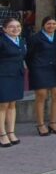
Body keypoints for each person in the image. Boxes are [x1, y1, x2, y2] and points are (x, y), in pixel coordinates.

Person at [26, 17, 56, 136]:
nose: (51, 26)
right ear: (43, 25)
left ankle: (53, 122)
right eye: (48, 24)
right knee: (41, 96)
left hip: (54, 69)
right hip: (39, 69)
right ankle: (40, 124)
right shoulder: (35, 38)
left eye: (53, 23)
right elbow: (28, 56)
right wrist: (34, 68)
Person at [0, 18, 25, 147]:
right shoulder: (2, 41)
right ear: (4, 29)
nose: (15, 29)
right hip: (4, 76)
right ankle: (2, 134)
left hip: (17, 75)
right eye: (11, 27)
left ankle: (11, 131)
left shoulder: (21, 40)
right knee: (3, 105)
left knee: (12, 104)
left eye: (18, 26)